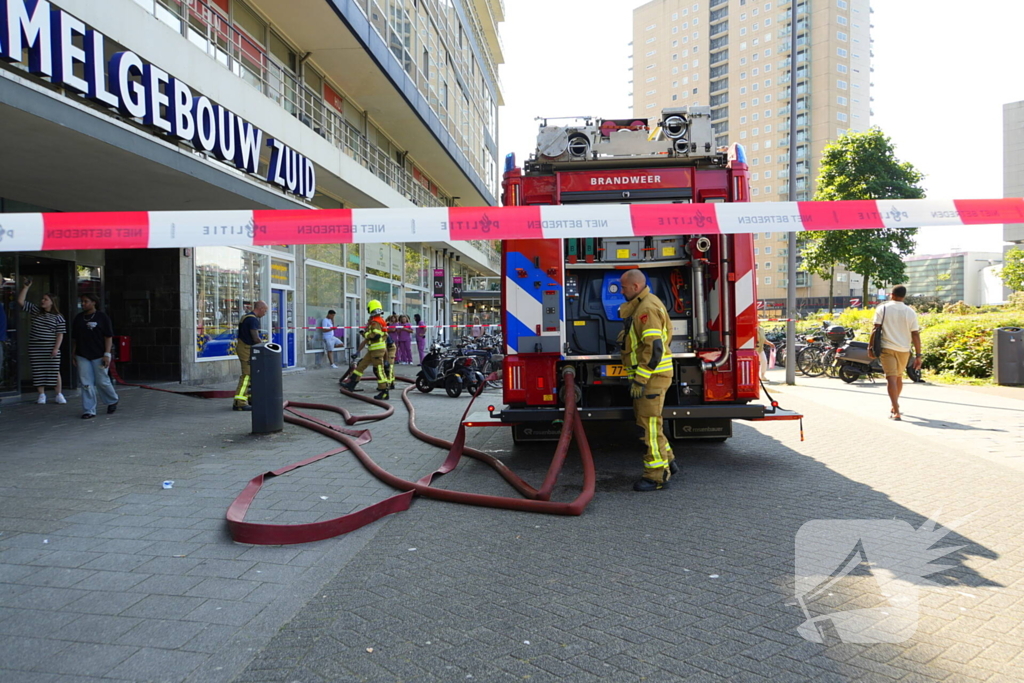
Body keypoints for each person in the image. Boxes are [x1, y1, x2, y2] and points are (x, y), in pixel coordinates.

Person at [618, 269, 676, 492]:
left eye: (623, 287)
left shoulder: (647, 309)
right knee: (652, 424)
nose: (621, 291)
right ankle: (669, 461)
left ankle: (656, 476)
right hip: (653, 377)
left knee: (648, 427)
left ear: (635, 287)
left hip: (651, 378)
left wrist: (640, 380)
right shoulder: (645, 304)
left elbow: (655, 349)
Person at [872, 285, 922, 421]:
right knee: (898, 377)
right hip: (904, 350)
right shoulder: (910, 312)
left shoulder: (882, 308)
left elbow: (875, 328)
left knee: (891, 378)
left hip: (887, 348)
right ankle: (895, 405)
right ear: (904, 296)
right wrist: (918, 355)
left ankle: (896, 410)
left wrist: (871, 348)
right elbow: (915, 334)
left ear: (891, 294)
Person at [17, 277, 67, 405]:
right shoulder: (36, 311)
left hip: (50, 346)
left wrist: (56, 348)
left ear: (52, 302)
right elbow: (21, 301)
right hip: (36, 346)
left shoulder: (58, 317)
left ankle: (58, 394)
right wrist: (26, 287)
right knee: (38, 369)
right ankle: (41, 394)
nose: (42, 301)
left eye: (45, 299)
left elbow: (60, 334)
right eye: (42, 299)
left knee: (54, 369)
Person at [71, 293, 120, 419]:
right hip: (82, 354)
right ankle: (89, 410)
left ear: (94, 302)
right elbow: (75, 338)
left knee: (102, 381)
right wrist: (74, 353)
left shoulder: (102, 317)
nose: (83, 304)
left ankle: (112, 400)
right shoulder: (78, 318)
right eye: (82, 301)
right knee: (86, 383)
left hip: (99, 354)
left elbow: (108, 336)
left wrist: (107, 354)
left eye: (86, 301)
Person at [341, 300, 390, 400]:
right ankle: (351, 384)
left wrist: (364, 334)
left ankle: (384, 391)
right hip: (373, 350)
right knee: (361, 365)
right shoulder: (378, 320)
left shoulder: (376, 322)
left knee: (379, 370)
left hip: (377, 350)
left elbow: (375, 336)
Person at [233, 300, 268, 412]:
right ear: (261, 308)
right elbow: (255, 337)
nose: (265, 314)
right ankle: (240, 402)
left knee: (251, 376)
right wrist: (264, 346)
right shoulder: (253, 320)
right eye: (265, 311)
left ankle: (249, 399)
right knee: (247, 376)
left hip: (245, 348)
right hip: (246, 350)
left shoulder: (245, 317)